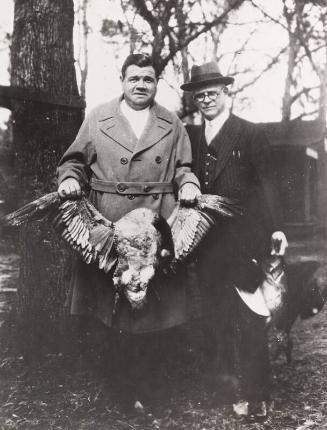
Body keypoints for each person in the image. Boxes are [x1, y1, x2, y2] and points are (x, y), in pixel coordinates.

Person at [57, 53, 201, 412]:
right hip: (110, 223)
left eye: (148, 79)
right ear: (122, 81)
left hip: (156, 225)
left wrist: (189, 185)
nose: (140, 85)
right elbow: (72, 160)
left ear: (156, 83)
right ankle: (121, 395)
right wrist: (72, 178)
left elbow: (185, 167)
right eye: (134, 78)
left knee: (154, 313)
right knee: (115, 312)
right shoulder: (98, 118)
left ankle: (151, 393)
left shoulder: (172, 123)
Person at [181, 61, 286, 421]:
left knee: (250, 319)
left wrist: (276, 230)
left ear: (227, 93)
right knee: (213, 320)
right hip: (205, 245)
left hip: (246, 243)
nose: (207, 99)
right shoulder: (190, 138)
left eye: (213, 92)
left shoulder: (251, 134)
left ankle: (258, 395)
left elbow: (268, 186)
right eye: (200, 95)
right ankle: (222, 393)